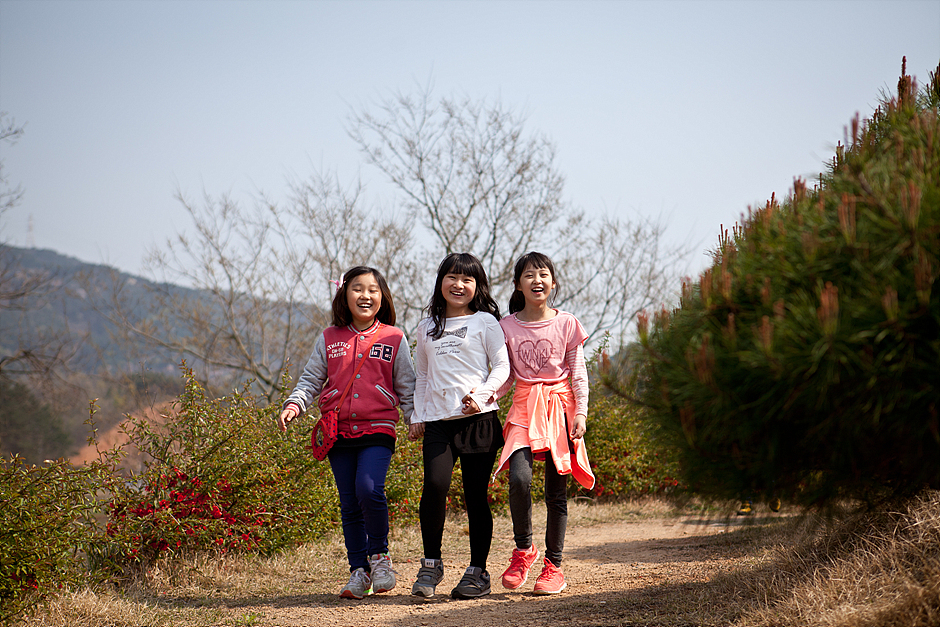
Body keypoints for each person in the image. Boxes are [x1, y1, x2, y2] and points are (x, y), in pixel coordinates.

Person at [278, 266, 415, 600]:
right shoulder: (329, 337)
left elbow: (407, 384)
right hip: (337, 431)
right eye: (357, 288)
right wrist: (295, 404)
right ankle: (359, 571)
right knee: (350, 502)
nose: (365, 296)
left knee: (369, 488)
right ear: (344, 294)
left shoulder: (394, 337)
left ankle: (379, 557)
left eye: (372, 290)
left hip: (378, 427)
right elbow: (311, 379)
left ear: (382, 297)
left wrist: (414, 418)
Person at [409, 253, 511, 599]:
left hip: (479, 420)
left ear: (477, 286)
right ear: (441, 282)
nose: (459, 284)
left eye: (467, 279)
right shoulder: (427, 326)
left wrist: (481, 396)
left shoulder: (486, 322)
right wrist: (417, 415)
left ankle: (478, 572)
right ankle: (431, 564)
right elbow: (423, 376)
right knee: (434, 487)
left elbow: (502, 367)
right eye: (452, 277)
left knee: (475, 496)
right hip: (439, 423)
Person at [494, 251, 595, 595]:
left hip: (560, 408)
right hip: (524, 407)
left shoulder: (567, 323)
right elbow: (506, 376)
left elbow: (578, 373)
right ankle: (524, 549)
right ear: (517, 284)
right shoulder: (506, 327)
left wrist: (581, 413)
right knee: (519, 479)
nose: (537, 280)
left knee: (556, 492)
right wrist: (484, 397)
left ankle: (554, 566)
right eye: (529, 275)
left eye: (543, 274)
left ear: (553, 282)